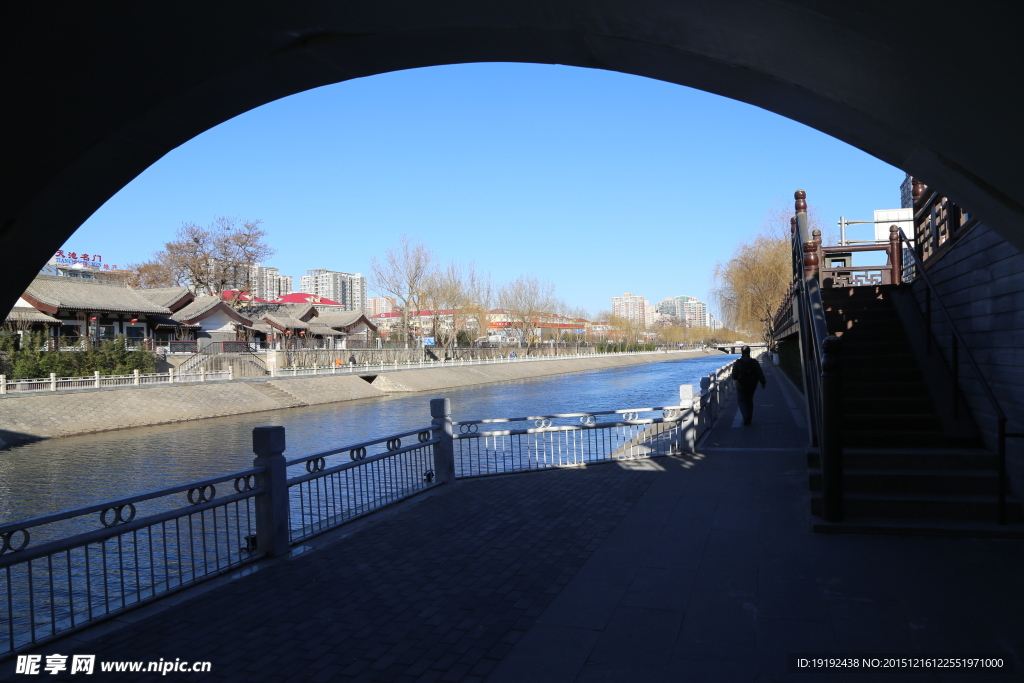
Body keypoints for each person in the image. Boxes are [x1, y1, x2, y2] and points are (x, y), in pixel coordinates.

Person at [731, 345, 766, 426]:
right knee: (749, 401)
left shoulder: (738, 363)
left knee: (741, 402)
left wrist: (738, 377)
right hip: (752, 385)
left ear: (742, 352)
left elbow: (734, 376)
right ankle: (749, 417)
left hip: (741, 386)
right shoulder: (754, 362)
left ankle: (745, 415)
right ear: (749, 352)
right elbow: (759, 373)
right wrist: (763, 382)